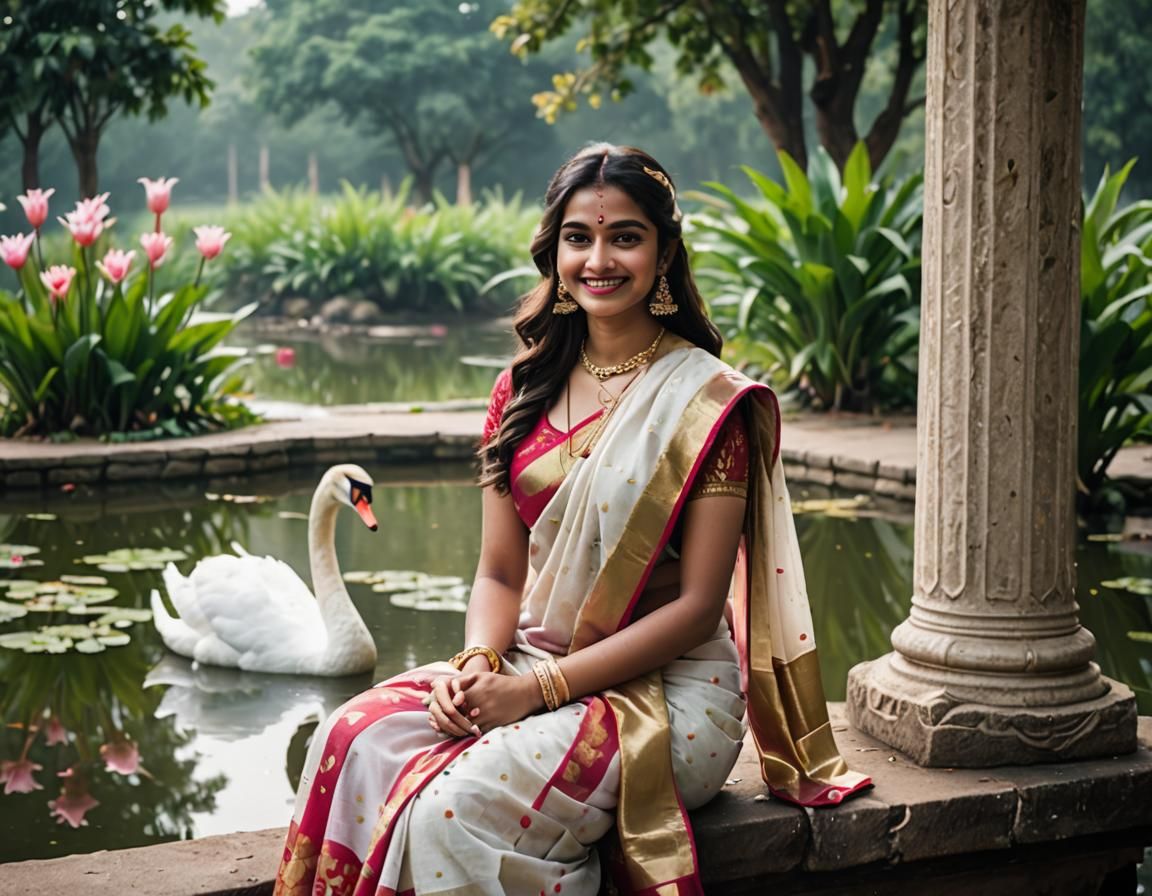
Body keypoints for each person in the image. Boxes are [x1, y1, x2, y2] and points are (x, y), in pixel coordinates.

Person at [274, 144, 870, 896]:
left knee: (450, 810)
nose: (600, 259)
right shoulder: (521, 388)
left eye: (625, 236)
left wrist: (534, 692)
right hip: (526, 660)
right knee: (348, 737)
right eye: (578, 238)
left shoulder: (706, 406)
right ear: (554, 250)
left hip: (669, 694)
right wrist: (479, 666)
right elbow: (498, 571)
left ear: (663, 253)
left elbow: (694, 612)